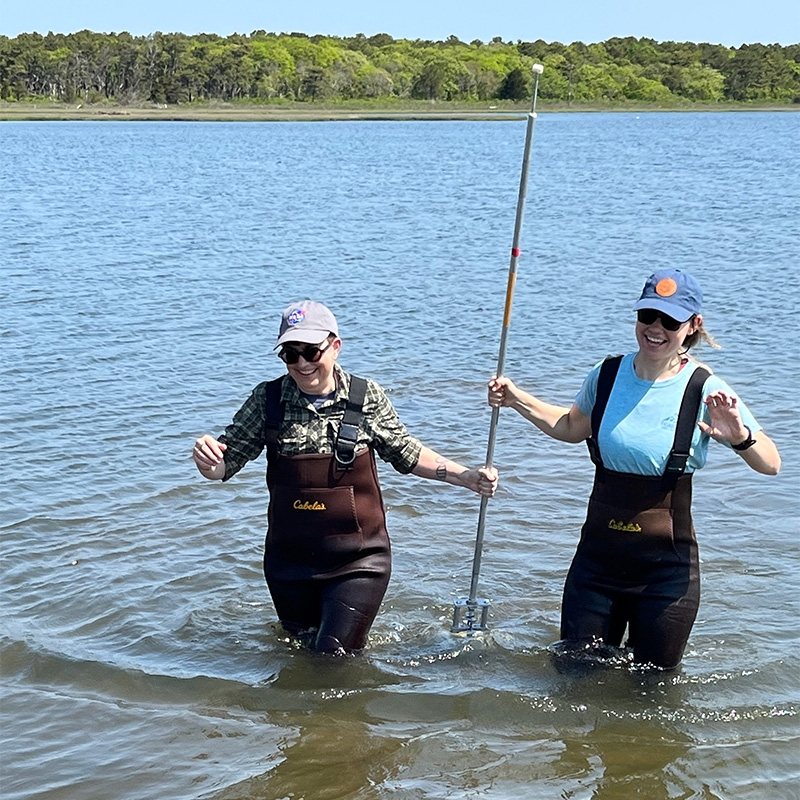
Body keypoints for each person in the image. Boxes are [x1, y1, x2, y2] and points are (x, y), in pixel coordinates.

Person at [488, 269, 780, 670]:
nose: (656, 329)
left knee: (652, 693)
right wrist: (516, 399)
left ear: (692, 326)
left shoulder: (706, 388)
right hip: (596, 566)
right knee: (574, 677)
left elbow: (771, 464)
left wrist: (739, 437)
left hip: (666, 575)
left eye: (671, 321)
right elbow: (573, 426)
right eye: (648, 316)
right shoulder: (606, 374)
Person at [193, 300, 497, 654]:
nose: (302, 364)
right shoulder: (267, 400)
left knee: (331, 656)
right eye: (291, 355)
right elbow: (222, 467)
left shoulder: (365, 396)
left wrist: (466, 477)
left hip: (359, 561)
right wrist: (207, 460)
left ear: (335, 346)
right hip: (287, 563)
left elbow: (407, 452)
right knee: (298, 654)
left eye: (310, 351)